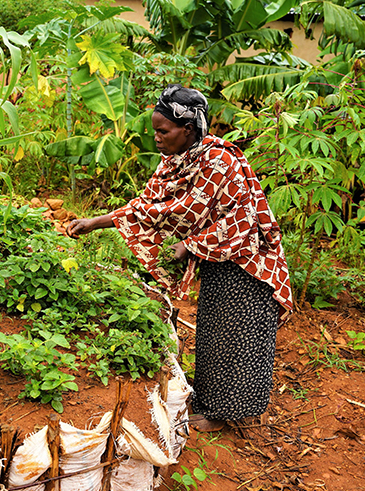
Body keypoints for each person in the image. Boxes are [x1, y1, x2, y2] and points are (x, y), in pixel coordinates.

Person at [67, 84, 293, 432]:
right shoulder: (173, 163)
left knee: (238, 337)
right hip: (219, 261)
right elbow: (151, 207)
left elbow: (242, 221)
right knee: (213, 334)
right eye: (155, 131)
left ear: (187, 130)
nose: (156, 138)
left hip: (249, 264)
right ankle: (211, 404)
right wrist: (95, 223)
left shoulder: (221, 162)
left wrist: (191, 245)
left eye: (163, 131)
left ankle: (225, 414)